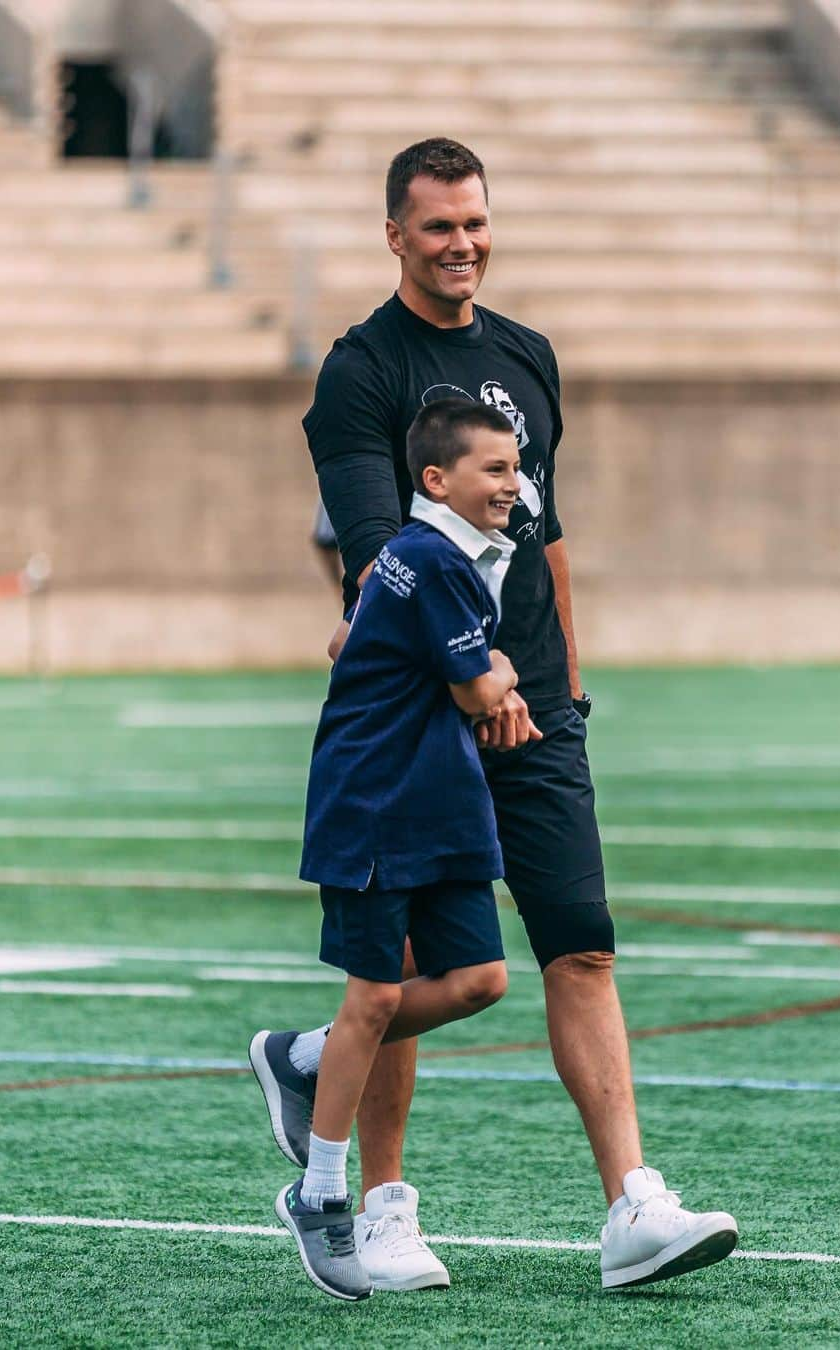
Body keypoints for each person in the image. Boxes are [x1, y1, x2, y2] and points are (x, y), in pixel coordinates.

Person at [259, 138, 737, 1292]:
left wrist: (558, 683)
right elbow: (387, 560)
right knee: (422, 961)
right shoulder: (359, 371)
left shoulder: (528, 356)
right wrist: (475, 679)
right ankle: (379, 1210)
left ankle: (632, 1207)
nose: (462, 244)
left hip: (536, 708)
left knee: (580, 944)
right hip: (431, 715)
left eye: (475, 222)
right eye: (437, 227)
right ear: (394, 235)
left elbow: (546, 537)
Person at [253, 399, 521, 1300]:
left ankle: (306, 1055)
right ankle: (321, 1193)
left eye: (516, 467)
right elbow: (479, 687)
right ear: (436, 481)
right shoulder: (428, 558)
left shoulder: (444, 558)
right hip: (374, 802)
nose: (512, 483)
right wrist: (503, 673)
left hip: (441, 803)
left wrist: (485, 677)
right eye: (494, 469)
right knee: (373, 996)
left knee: (482, 979)